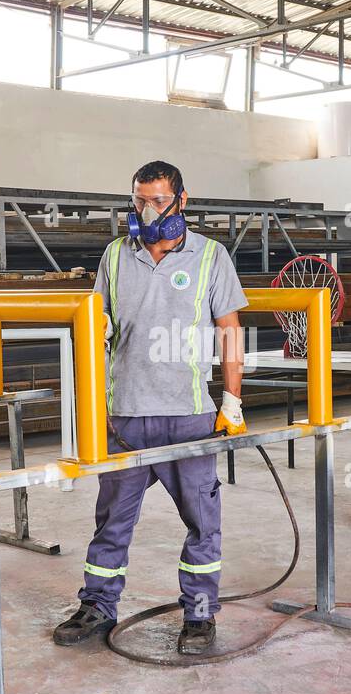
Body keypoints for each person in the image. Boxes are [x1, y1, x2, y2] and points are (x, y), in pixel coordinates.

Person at [53, 161, 248, 655]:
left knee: (203, 521)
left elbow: (229, 331)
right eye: (139, 201)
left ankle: (200, 614)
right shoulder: (116, 256)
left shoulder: (211, 256)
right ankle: (97, 605)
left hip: (189, 415)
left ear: (183, 200)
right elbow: (98, 329)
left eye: (159, 200)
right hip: (127, 416)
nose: (147, 210)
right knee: (112, 521)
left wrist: (232, 399)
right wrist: (93, 398)